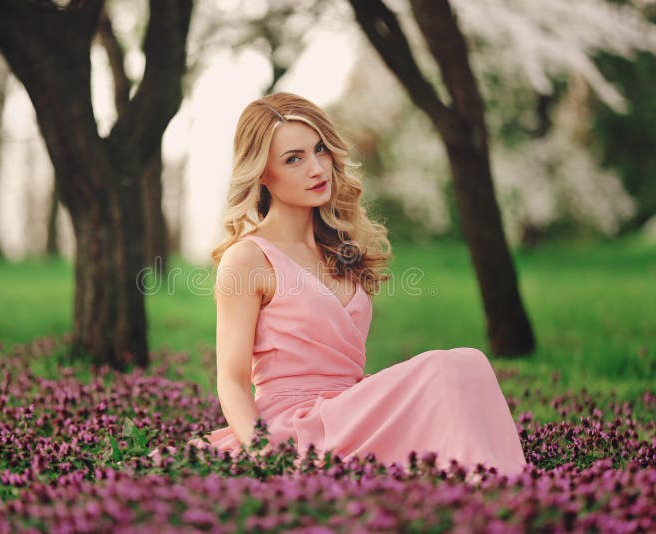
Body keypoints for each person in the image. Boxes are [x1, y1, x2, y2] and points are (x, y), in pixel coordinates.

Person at [186, 92, 528, 478]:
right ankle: (492, 489)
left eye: (320, 150)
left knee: (469, 363)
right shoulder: (248, 259)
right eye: (293, 159)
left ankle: (501, 486)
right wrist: (266, 457)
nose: (316, 168)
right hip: (295, 427)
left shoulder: (339, 249)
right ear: (263, 173)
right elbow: (231, 381)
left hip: (350, 411)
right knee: (442, 368)